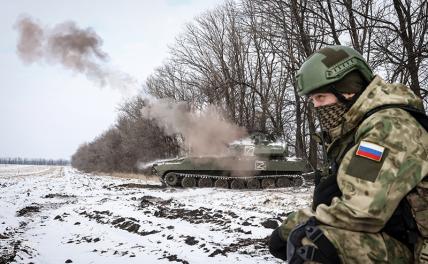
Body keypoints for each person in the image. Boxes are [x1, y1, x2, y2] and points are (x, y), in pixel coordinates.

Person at [268, 45, 428, 263]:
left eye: (321, 97)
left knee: (318, 247)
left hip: (419, 246)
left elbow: (359, 210)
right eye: (312, 100)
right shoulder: (360, 130)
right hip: (406, 237)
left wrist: (290, 228)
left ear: (347, 90)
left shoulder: (387, 127)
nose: (316, 107)